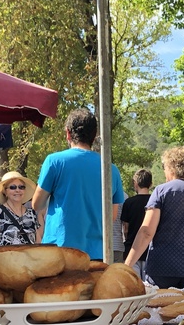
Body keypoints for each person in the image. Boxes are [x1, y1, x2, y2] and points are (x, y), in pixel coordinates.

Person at [124, 146, 184, 294]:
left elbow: (146, 232)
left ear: (172, 167)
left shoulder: (161, 191)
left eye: (165, 167)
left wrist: (127, 266)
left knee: (161, 308)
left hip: (164, 268)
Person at [31, 108, 125, 260]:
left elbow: (37, 204)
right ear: (94, 136)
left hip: (60, 250)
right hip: (98, 253)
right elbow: (111, 216)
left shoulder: (54, 161)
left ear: (68, 133)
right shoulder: (111, 169)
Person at [0, 171, 39, 246]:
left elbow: (38, 243)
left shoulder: (32, 214)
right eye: (12, 187)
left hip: (30, 254)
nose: (17, 190)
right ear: (5, 191)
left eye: (21, 187)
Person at [121, 168, 152, 279]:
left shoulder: (129, 203)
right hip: (150, 250)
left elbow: (125, 228)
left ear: (135, 183)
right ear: (151, 184)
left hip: (132, 249)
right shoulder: (155, 202)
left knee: (134, 285)